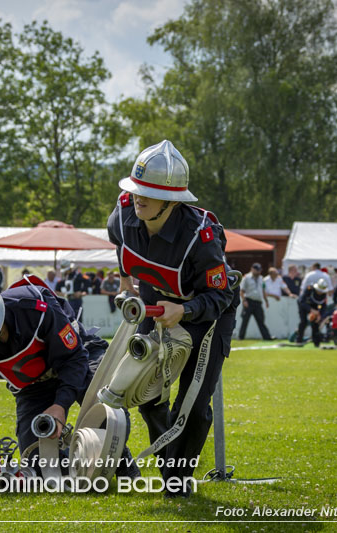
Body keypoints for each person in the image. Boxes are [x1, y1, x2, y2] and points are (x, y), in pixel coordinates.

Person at [107, 140, 237, 497]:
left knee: (192, 406)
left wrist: (185, 310)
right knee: (147, 396)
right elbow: (118, 241)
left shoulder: (202, 237)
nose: (138, 199)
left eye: (148, 194)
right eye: (136, 191)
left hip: (206, 315)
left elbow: (222, 293)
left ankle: (177, 486)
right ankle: (172, 473)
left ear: (172, 202)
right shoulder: (122, 213)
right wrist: (125, 283)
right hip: (156, 305)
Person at [0, 281, 136, 481]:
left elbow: (74, 359)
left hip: (78, 356)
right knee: (38, 465)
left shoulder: (35, 308)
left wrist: (60, 405)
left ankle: (121, 460)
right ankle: (80, 459)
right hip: (33, 385)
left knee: (108, 412)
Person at [238, 263, 273, 340]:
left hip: (258, 303)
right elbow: (242, 291)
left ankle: (267, 337)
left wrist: (266, 300)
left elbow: (263, 290)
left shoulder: (261, 278)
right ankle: (241, 337)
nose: (258, 272)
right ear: (252, 269)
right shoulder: (246, 278)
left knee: (261, 321)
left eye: (259, 270)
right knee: (245, 320)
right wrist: (244, 301)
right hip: (249, 301)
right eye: (257, 270)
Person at [297, 279, 329, 347]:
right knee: (303, 322)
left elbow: (323, 307)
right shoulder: (309, 289)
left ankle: (316, 342)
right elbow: (301, 301)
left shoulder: (324, 295)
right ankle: (299, 340)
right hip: (305, 305)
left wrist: (320, 316)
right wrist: (311, 310)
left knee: (315, 324)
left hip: (315, 307)